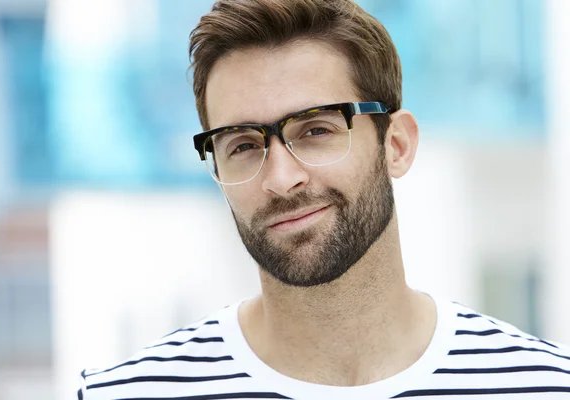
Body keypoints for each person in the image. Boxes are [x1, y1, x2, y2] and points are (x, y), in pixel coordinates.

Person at [77, 0, 570, 398]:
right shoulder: (124, 393)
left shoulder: (546, 386)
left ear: (395, 145)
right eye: (244, 145)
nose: (281, 178)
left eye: (316, 130)